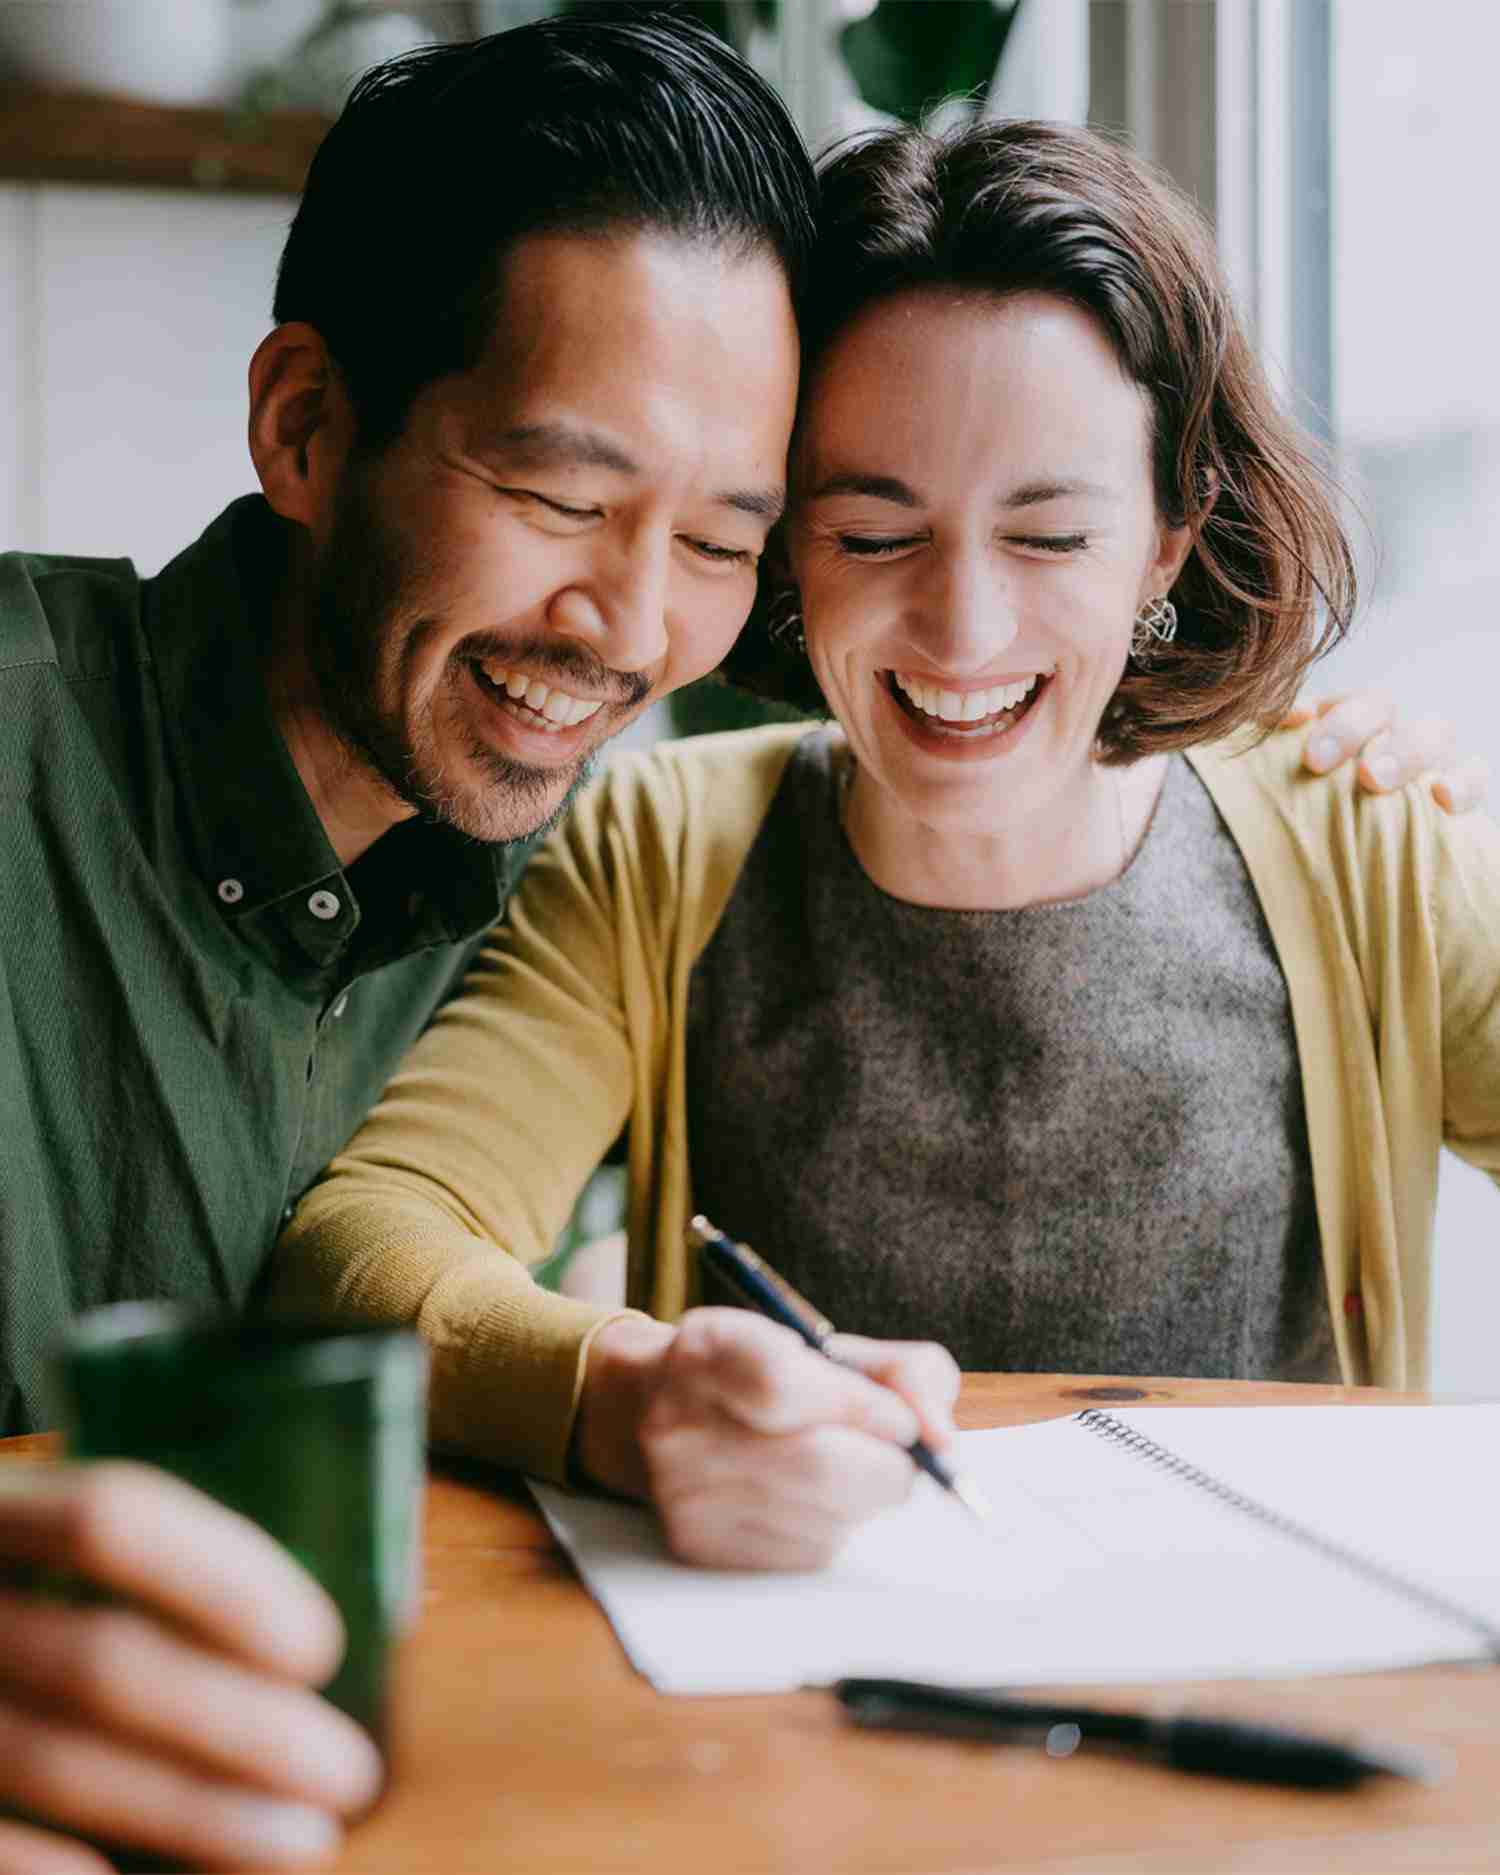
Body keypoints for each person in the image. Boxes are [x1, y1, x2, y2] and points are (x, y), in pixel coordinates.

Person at [275, 118, 1500, 1578]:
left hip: (1269, 1679)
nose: (962, 632)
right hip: (800, 1685)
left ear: (1167, 543)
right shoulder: (659, 851)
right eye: (872, 535)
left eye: (1049, 537)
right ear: (788, 551)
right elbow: (366, 1244)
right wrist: (624, 1391)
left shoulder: (1366, 842)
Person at [0, 11, 816, 1867]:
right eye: (560, 498)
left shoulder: (590, 877)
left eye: (719, 543)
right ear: (308, 426)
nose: (632, 627)